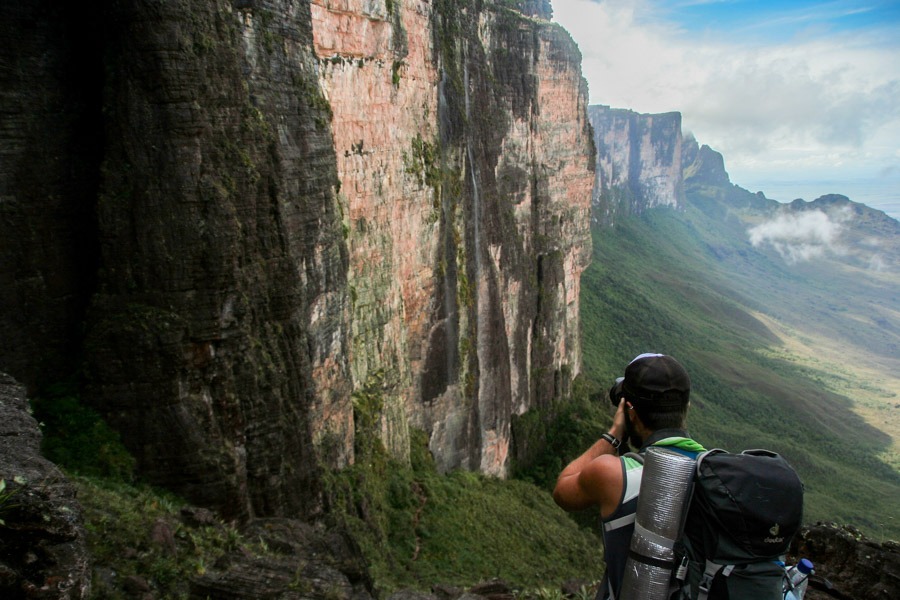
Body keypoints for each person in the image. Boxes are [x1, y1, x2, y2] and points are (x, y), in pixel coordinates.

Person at [553, 353, 706, 600]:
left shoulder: (614, 474)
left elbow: (563, 491)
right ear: (686, 408)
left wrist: (614, 434)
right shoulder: (712, 472)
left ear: (630, 413)